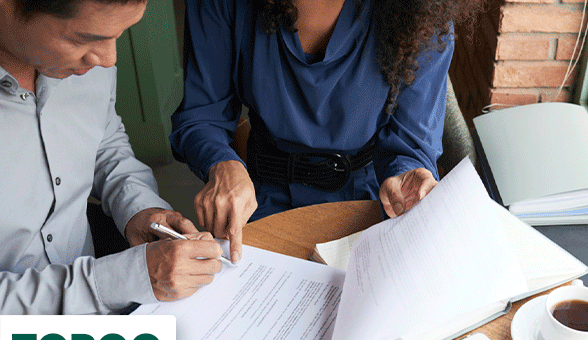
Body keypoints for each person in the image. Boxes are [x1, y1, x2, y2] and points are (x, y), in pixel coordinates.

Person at [170, 0, 482, 264]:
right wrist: (222, 163)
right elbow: (202, 115)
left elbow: (412, 142)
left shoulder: (423, 12)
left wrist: (409, 174)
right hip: (264, 198)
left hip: (372, 204)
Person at [0, 0, 224, 315]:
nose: (108, 60)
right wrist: (114, 282)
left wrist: (140, 209)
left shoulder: (85, 67)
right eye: (85, 38)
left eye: (119, 34)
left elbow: (105, 145)